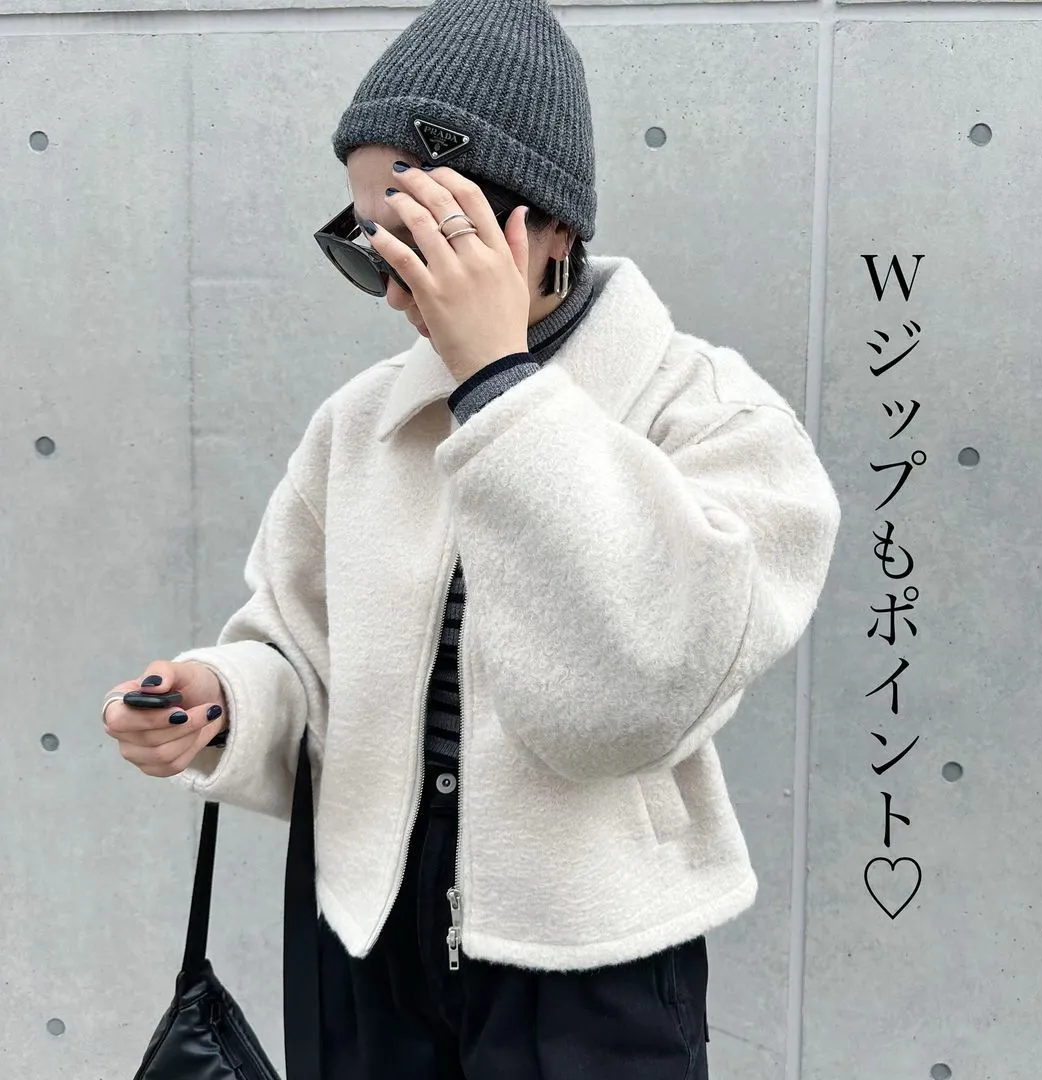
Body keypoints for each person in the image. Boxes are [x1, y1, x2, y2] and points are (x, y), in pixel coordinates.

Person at [101, 0, 841, 1076]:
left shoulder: (711, 416)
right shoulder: (362, 424)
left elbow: (640, 686)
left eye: (418, 235)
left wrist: (502, 387)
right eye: (367, 242)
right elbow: (298, 655)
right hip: (367, 935)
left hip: (589, 953)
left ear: (546, 225)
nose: (391, 284)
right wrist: (220, 699)